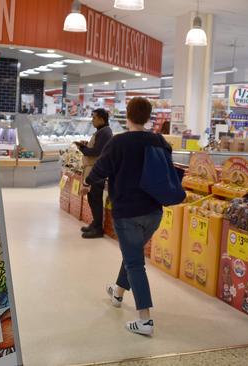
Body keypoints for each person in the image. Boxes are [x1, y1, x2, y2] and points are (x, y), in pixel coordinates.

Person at [85, 97, 170, 336]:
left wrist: (86, 183)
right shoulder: (159, 141)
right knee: (132, 255)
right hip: (154, 212)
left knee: (134, 262)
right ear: (148, 116)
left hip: (128, 213)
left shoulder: (119, 142)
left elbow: (100, 169)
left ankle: (145, 320)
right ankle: (118, 292)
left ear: (128, 115)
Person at [75, 109, 113, 239]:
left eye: (94, 118)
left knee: (96, 198)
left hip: (96, 170)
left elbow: (96, 152)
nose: (92, 120)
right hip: (93, 169)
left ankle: (98, 229)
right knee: (92, 198)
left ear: (102, 119)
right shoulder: (102, 131)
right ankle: (95, 223)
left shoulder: (105, 132)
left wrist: (82, 148)